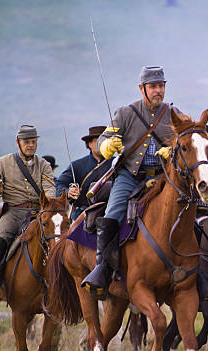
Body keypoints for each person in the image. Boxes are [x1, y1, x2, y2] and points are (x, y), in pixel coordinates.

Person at [80, 66, 184, 299]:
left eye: (161, 86)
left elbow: (186, 135)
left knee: (191, 210)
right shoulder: (126, 113)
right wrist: (107, 146)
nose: (158, 91)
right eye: (153, 86)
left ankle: (201, 272)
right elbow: (105, 139)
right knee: (113, 213)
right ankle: (101, 269)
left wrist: (173, 150)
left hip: (163, 176)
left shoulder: (174, 114)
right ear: (142, 88)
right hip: (130, 175)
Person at [0, 125, 56, 297]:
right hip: (13, 211)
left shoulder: (44, 165)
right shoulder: (3, 162)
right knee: (2, 235)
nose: (31, 145)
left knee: (56, 237)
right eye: (27, 142)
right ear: (18, 143)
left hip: (37, 212)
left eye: (33, 142)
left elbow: (50, 189)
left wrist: (48, 202)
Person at [56, 126, 113, 220]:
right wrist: (68, 192)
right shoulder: (77, 165)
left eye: (104, 141)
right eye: (98, 141)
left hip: (110, 212)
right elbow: (58, 184)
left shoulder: (117, 163)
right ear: (90, 144)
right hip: (83, 214)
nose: (101, 144)